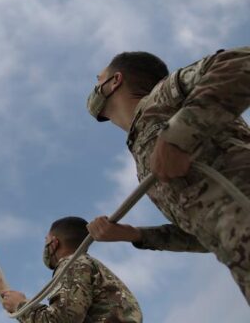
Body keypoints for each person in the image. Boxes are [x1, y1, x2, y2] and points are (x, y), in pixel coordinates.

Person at [85, 47, 250, 303]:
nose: (95, 87)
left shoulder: (163, 96)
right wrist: (135, 235)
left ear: (114, 80)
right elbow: (205, 235)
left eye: (98, 79)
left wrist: (178, 137)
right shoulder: (142, 159)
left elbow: (242, 60)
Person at [0, 216, 142, 322]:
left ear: (54, 243)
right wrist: (2, 289)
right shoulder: (87, 265)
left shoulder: (73, 264)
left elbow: (62, 320)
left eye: (46, 240)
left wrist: (21, 306)